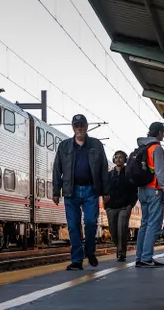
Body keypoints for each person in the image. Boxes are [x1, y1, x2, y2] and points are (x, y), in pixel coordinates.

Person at [52, 113, 109, 271]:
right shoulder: (64, 146)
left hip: (91, 189)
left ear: (86, 127)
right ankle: (77, 260)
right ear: (73, 128)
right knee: (73, 226)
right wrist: (56, 190)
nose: (79, 128)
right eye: (76, 126)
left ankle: (89, 251)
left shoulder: (96, 145)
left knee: (91, 222)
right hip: (71, 190)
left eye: (82, 125)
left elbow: (104, 168)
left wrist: (106, 192)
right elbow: (57, 169)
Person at [134, 122, 164, 267]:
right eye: (163, 132)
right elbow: (160, 172)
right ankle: (146, 257)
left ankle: (140, 257)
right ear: (159, 132)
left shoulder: (143, 147)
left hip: (142, 190)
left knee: (144, 224)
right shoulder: (157, 149)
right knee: (153, 224)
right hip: (154, 190)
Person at [103, 150, 137, 262]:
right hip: (111, 207)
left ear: (125, 160)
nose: (118, 159)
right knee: (113, 232)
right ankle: (119, 248)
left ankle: (122, 253)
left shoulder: (128, 175)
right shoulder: (108, 175)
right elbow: (104, 190)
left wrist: (131, 205)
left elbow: (134, 190)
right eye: (116, 157)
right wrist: (106, 205)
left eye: (121, 157)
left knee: (122, 228)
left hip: (124, 206)